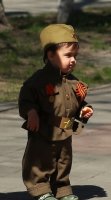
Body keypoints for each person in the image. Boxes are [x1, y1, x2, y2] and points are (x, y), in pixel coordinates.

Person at [18, 24, 93, 200]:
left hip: (66, 129)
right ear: (50, 55)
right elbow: (26, 99)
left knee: (63, 162)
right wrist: (31, 112)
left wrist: (85, 110)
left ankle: (62, 190)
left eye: (75, 56)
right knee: (40, 160)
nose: (73, 60)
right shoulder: (38, 80)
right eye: (68, 55)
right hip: (44, 130)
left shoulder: (74, 82)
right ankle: (41, 190)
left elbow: (78, 102)